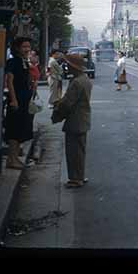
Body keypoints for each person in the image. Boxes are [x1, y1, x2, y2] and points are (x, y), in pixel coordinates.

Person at [51, 53, 92, 189]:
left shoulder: (76, 82)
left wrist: (57, 113)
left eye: (68, 65)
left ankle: (75, 178)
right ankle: (79, 176)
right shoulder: (84, 79)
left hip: (75, 120)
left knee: (73, 151)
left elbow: (68, 103)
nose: (67, 67)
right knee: (80, 150)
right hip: (83, 119)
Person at [4, 37, 35, 169]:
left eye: (28, 46)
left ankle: (15, 158)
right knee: (14, 130)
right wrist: (14, 99)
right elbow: (9, 81)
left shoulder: (25, 62)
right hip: (16, 101)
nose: (27, 49)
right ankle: (12, 159)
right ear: (17, 48)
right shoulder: (13, 62)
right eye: (24, 47)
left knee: (21, 130)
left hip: (24, 101)